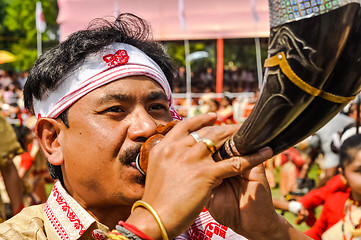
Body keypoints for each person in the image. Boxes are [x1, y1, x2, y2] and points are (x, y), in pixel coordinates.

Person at [0, 13, 311, 240]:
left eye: (158, 108)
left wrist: (271, 230)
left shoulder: (215, 226)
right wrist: (150, 226)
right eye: (115, 110)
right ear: (53, 140)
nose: (148, 126)